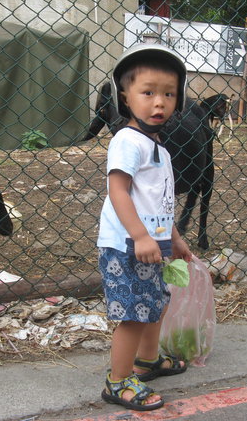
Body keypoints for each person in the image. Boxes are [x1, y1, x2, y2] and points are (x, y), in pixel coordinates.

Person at [97, 43, 193, 411]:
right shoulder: (126, 140)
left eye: (169, 94)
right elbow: (117, 190)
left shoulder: (160, 149)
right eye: (148, 92)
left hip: (154, 243)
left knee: (156, 304)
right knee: (134, 315)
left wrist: (176, 239)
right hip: (126, 243)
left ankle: (147, 361)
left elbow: (160, 202)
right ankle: (117, 381)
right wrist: (139, 235)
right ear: (126, 96)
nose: (160, 103)